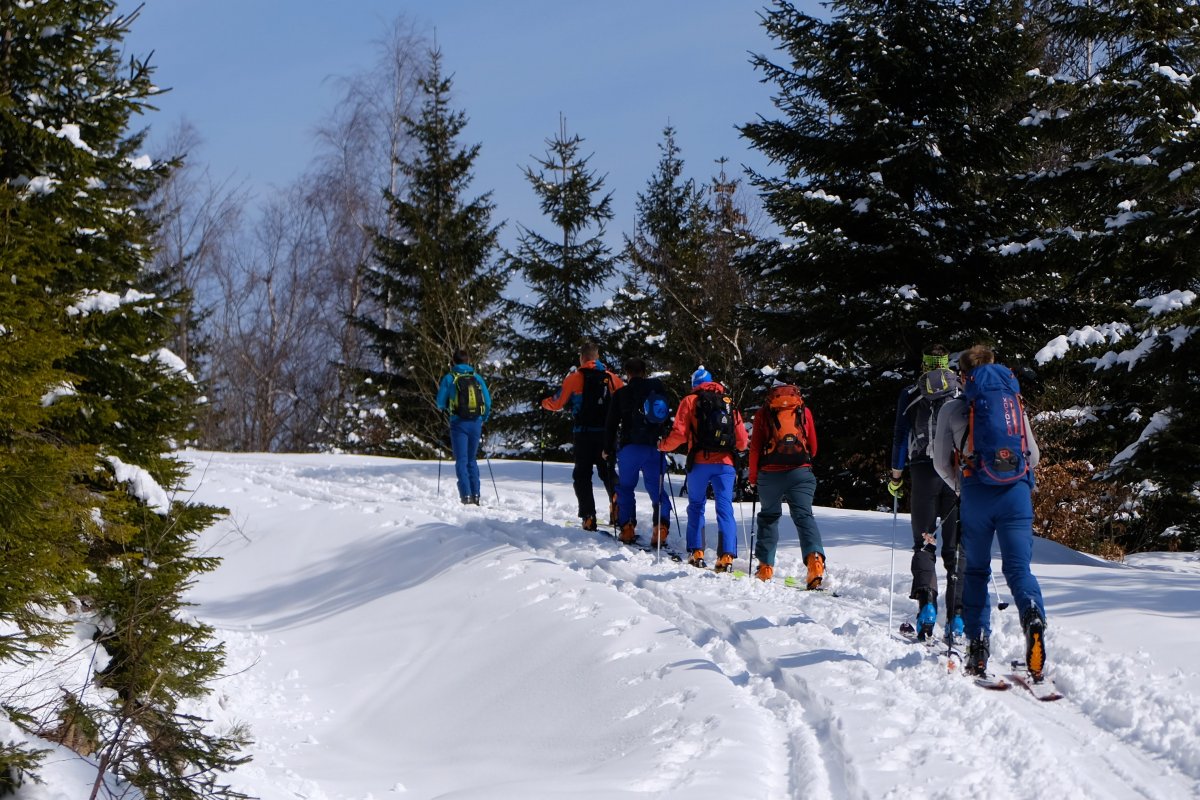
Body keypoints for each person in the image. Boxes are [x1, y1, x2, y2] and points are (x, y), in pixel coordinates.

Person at [934, 344, 1047, 681]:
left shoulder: (953, 409)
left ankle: (978, 645)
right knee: (1018, 568)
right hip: (1016, 494)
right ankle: (1032, 616)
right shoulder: (1014, 405)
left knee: (977, 572)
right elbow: (1034, 456)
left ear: (963, 375)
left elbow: (941, 462)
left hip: (976, 494)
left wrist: (962, 484)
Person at [889, 343, 965, 642]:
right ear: (947, 363)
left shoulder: (910, 394)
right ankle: (957, 616)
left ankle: (927, 608)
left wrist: (896, 475)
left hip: (922, 472)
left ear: (924, 364)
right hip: (955, 474)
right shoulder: (960, 391)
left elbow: (899, 437)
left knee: (924, 544)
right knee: (956, 548)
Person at [658, 367, 749, 571]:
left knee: (696, 506)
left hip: (699, 463)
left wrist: (663, 445)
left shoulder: (690, 401)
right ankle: (726, 556)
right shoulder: (728, 403)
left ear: (694, 384)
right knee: (725, 508)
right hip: (726, 465)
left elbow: (679, 435)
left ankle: (696, 552)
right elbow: (742, 441)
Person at [747, 380, 826, 587]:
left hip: (769, 475)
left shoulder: (763, 413)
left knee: (769, 517)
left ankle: (765, 567)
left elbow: (755, 448)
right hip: (800, 472)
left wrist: (753, 477)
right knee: (804, 516)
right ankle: (815, 562)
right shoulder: (803, 410)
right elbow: (814, 447)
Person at [541, 342, 624, 531]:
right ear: (597, 357)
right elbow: (623, 400)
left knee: (582, 476)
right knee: (609, 473)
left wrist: (543, 403)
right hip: (606, 435)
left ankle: (588, 516)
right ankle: (618, 509)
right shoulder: (611, 378)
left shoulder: (574, 378)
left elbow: (557, 403)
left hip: (583, 435)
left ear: (582, 358)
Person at [602, 358, 672, 546]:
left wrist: (608, 449)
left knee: (625, 488)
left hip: (630, 448)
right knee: (657, 491)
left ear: (627, 373)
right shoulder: (657, 391)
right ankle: (661, 529)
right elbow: (666, 418)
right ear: (644, 371)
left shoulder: (622, 394)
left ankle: (627, 529)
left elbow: (611, 425)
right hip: (655, 448)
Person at [435, 349, 493, 505]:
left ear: (453, 362)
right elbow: (487, 402)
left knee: (461, 460)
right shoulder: (477, 378)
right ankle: (476, 495)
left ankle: (466, 495)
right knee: (471, 460)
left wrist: (447, 406)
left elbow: (440, 402)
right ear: (468, 361)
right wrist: (483, 418)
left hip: (458, 423)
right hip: (476, 423)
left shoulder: (449, 378)